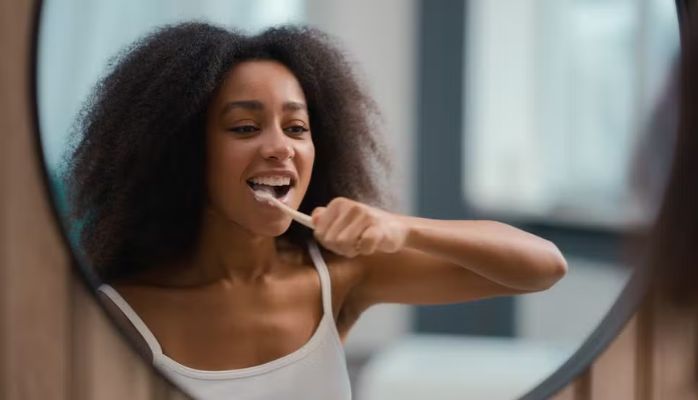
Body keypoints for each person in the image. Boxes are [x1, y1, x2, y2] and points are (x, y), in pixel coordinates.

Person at [64, 22, 567, 400]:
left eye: (297, 128)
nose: (280, 147)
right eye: (245, 128)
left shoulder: (336, 277)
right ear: (181, 152)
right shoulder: (123, 313)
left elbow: (543, 266)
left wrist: (400, 228)